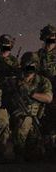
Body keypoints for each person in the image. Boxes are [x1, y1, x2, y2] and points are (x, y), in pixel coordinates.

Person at [6, 52, 53, 161]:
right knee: (24, 121)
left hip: (38, 119)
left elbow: (48, 98)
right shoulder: (14, 81)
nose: (29, 68)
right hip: (19, 118)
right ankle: (19, 152)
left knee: (37, 153)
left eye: (32, 65)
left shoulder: (42, 81)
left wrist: (31, 94)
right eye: (27, 65)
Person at [37, 24, 56, 152]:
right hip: (43, 91)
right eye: (47, 37)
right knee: (44, 118)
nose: (50, 40)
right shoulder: (38, 55)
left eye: (52, 37)